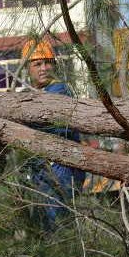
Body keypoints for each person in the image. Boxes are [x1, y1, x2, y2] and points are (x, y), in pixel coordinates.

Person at [21, 38, 85, 229]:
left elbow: (51, 126)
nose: (44, 68)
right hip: (40, 168)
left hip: (62, 166)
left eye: (48, 62)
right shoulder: (28, 93)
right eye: (37, 64)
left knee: (57, 225)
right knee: (42, 227)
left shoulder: (59, 90)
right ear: (27, 68)